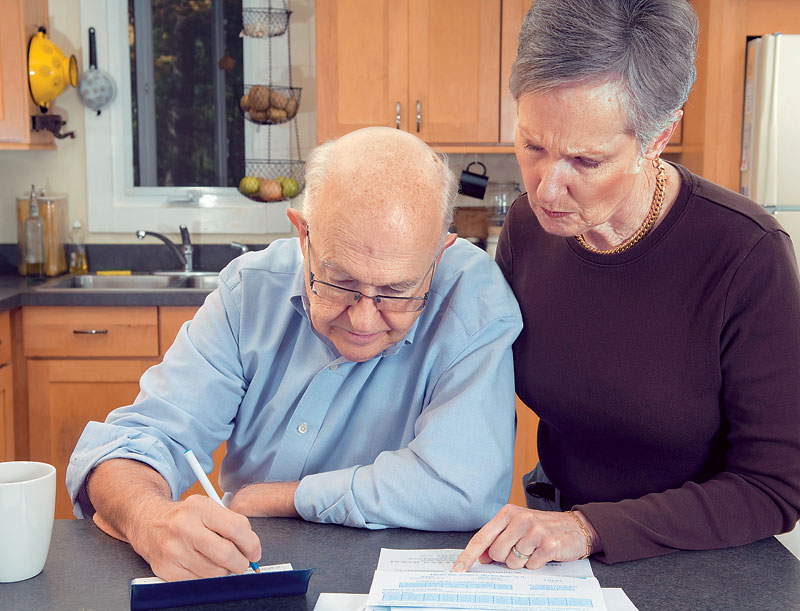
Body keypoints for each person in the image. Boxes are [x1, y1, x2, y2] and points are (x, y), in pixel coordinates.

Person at [67, 127, 522, 581]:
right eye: (340, 281)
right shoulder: (248, 291)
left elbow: (464, 484)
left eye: (397, 290)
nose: (364, 320)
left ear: (438, 256)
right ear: (303, 235)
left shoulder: (475, 300)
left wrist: (285, 497)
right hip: (250, 575)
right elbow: (135, 442)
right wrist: (149, 518)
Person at [455, 0, 800, 571]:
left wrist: (589, 529)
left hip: (698, 559)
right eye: (533, 146)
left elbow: (774, 487)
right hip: (557, 539)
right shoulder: (526, 228)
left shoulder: (746, 254)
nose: (545, 189)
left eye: (585, 161)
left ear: (658, 138)